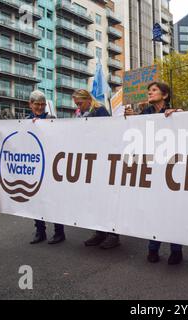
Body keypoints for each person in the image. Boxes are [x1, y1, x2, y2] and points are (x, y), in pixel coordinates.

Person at [125, 81, 183, 265]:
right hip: (151, 169)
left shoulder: (174, 112)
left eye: (154, 90)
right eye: (148, 91)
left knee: (173, 212)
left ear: (165, 95)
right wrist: (130, 118)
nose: (150, 93)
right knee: (155, 210)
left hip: (170, 170)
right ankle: (153, 248)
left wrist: (180, 115)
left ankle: (176, 250)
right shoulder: (145, 114)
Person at [72, 89, 120, 249]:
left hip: (102, 160)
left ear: (87, 100)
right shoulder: (80, 114)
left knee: (107, 199)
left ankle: (113, 234)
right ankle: (99, 232)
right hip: (90, 160)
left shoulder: (100, 111)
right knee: (95, 199)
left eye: (80, 103)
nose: (79, 107)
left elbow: (109, 133)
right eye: (77, 105)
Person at [26, 91, 66, 244]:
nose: (40, 107)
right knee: (37, 200)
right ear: (30, 104)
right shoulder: (25, 121)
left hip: (50, 166)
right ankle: (40, 231)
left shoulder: (51, 119)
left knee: (54, 200)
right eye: (37, 104)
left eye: (42, 104)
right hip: (35, 166)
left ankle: (59, 232)